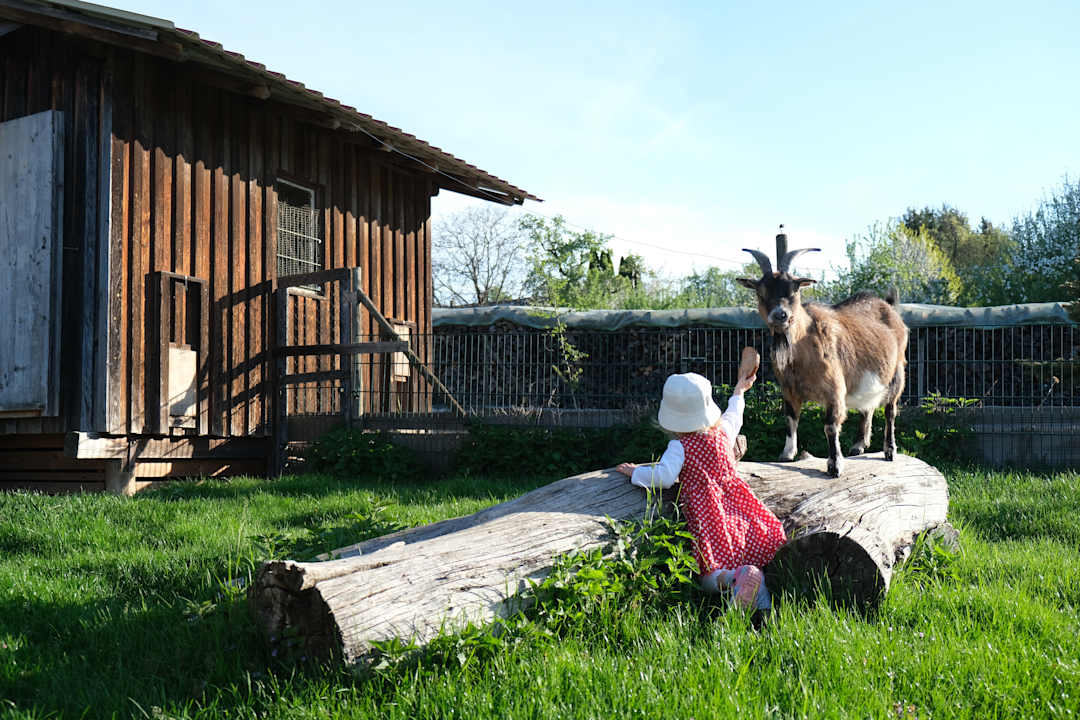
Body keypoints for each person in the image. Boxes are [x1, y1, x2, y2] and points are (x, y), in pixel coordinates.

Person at [616, 369, 786, 611]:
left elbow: (664, 477)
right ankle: (760, 599)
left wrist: (636, 472)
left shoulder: (679, 445)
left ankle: (733, 579)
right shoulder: (723, 433)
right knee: (751, 550)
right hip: (740, 507)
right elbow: (734, 415)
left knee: (708, 573)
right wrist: (739, 390)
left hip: (709, 513)